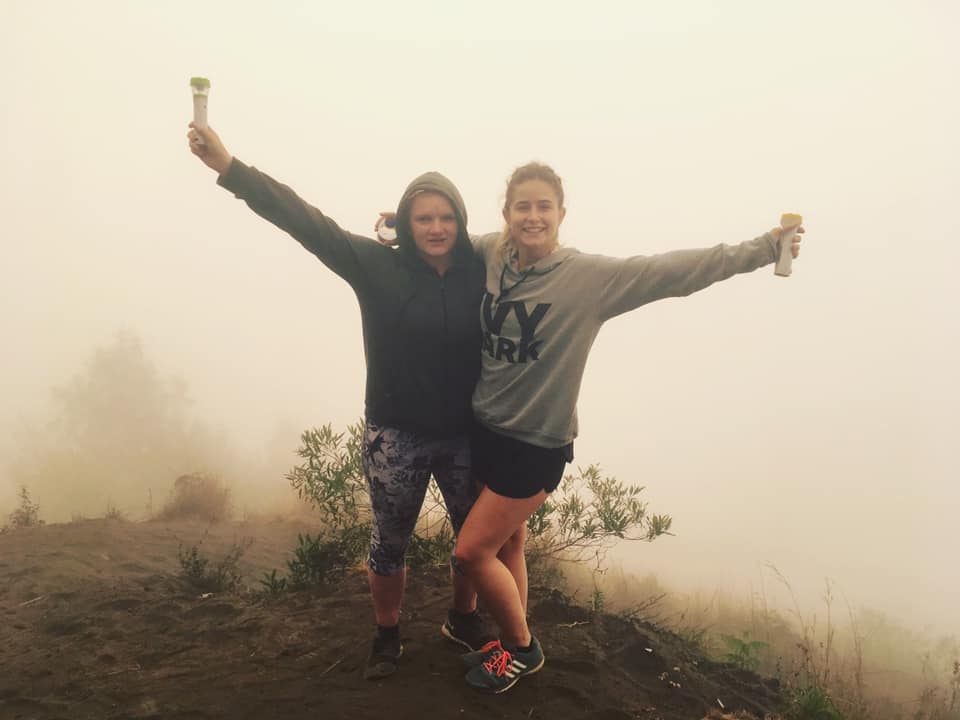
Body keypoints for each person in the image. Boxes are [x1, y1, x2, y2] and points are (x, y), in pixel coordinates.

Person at [451, 162, 804, 693]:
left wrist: (763, 247)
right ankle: (509, 639)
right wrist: (400, 226)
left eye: (544, 206)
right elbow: (444, 236)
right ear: (506, 214)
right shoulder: (492, 254)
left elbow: (672, 271)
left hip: (536, 444)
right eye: (522, 206)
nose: (532, 216)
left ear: (561, 214)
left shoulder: (587, 278)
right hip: (487, 431)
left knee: (470, 551)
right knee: (508, 547)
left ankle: (523, 650)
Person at [186, 123, 493, 680]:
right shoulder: (374, 265)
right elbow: (305, 221)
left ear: (462, 222)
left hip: (464, 433)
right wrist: (231, 169)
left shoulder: (481, 270)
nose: (436, 227)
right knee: (389, 541)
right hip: (394, 434)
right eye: (423, 217)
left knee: (471, 540)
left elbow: (530, 251)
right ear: (405, 221)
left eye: (446, 217)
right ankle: (387, 633)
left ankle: (461, 618)